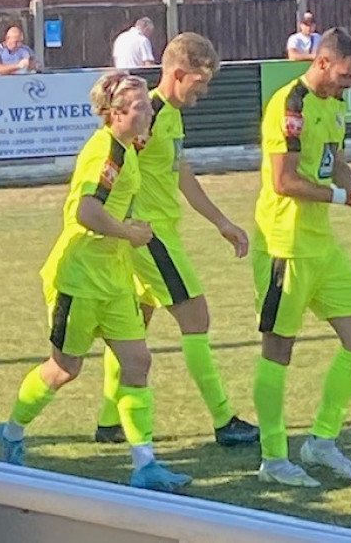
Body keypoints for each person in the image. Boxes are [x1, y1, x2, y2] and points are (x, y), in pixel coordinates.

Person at [0, 71, 191, 492]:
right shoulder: (106, 154)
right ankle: (10, 432)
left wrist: (127, 231)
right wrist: (128, 232)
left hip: (114, 277)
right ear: (114, 113)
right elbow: (86, 211)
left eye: (149, 105)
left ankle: (145, 464)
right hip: (80, 278)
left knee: (138, 362)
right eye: (141, 107)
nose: (150, 111)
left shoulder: (128, 148)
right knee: (65, 368)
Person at [252, 27, 351, 487]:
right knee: (279, 350)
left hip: (321, 245)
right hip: (285, 245)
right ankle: (273, 458)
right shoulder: (289, 105)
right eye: (344, 76)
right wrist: (344, 199)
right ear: (321, 63)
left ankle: (321, 441)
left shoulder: (334, 104)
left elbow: (333, 159)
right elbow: (284, 181)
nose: (350, 85)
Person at [94, 32, 258, 447]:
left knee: (134, 325)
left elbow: (180, 172)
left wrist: (220, 221)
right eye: (199, 83)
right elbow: (112, 163)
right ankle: (224, 421)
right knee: (196, 318)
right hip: (151, 236)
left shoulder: (169, 115)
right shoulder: (146, 115)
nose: (202, 94)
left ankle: (109, 420)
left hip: (151, 232)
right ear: (179, 73)